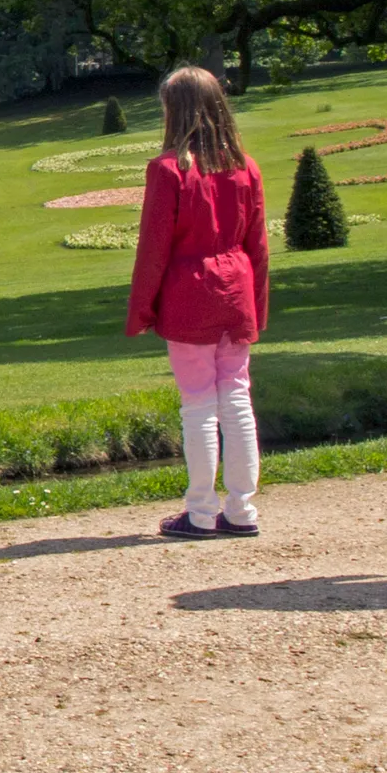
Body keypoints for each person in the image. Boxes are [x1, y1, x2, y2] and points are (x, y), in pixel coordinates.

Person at [125, 66, 270, 539]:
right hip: (236, 288)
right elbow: (259, 245)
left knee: (198, 405)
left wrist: (142, 308)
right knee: (236, 398)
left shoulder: (168, 170)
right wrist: (258, 307)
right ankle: (242, 508)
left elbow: (154, 248)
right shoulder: (245, 165)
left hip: (190, 289)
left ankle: (202, 510)